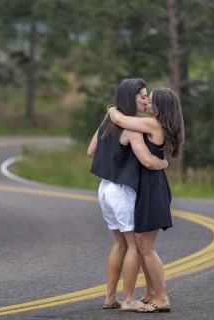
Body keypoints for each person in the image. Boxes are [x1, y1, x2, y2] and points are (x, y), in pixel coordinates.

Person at [87, 78, 168, 312]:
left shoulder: (107, 124)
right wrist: (162, 163)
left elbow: (91, 151)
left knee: (120, 244)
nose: (145, 99)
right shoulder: (132, 127)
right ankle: (129, 299)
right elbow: (145, 160)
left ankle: (110, 297)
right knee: (133, 246)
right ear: (129, 98)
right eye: (142, 95)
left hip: (104, 188)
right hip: (121, 191)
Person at [108, 87, 185, 313]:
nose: (146, 103)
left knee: (145, 246)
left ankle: (162, 298)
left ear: (160, 107)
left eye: (150, 100)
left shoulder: (153, 124)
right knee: (142, 246)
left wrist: (111, 108)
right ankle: (151, 293)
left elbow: (120, 119)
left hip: (153, 189)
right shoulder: (155, 123)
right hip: (150, 187)